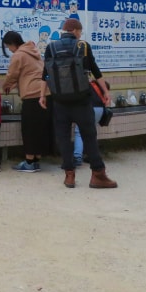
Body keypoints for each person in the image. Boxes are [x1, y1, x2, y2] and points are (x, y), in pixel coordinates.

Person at [40, 18, 118, 189]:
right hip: (81, 100)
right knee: (89, 136)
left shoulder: (50, 48)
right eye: (80, 31)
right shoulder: (82, 46)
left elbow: (45, 74)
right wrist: (105, 92)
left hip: (59, 100)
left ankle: (69, 175)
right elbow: (95, 71)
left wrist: (42, 95)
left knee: (63, 137)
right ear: (75, 30)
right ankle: (98, 174)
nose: (80, 34)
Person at [1, 30, 49, 173]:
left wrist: (6, 86)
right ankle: (36, 161)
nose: (9, 49)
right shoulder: (33, 51)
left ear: (12, 44)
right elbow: (29, 73)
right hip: (44, 93)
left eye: (8, 46)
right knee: (39, 130)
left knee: (29, 129)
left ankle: (28, 162)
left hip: (31, 95)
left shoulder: (19, 55)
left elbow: (12, 74)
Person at [73, 79, 109, 166]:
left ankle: (77, 157)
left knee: (79, 132)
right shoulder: (100, 86)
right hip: (100, 109)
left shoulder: (85, 84)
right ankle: (93, 156)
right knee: (91, 132)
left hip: (88, 108)